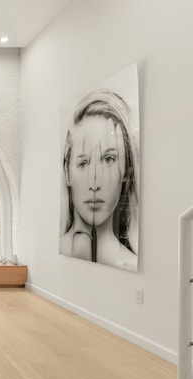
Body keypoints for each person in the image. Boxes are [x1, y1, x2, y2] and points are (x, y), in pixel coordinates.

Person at [59, 89, 139, 271]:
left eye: (108, 159)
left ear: (126, 170)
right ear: (68, 172)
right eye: (83, 163)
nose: (94, 184)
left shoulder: (130, 264)